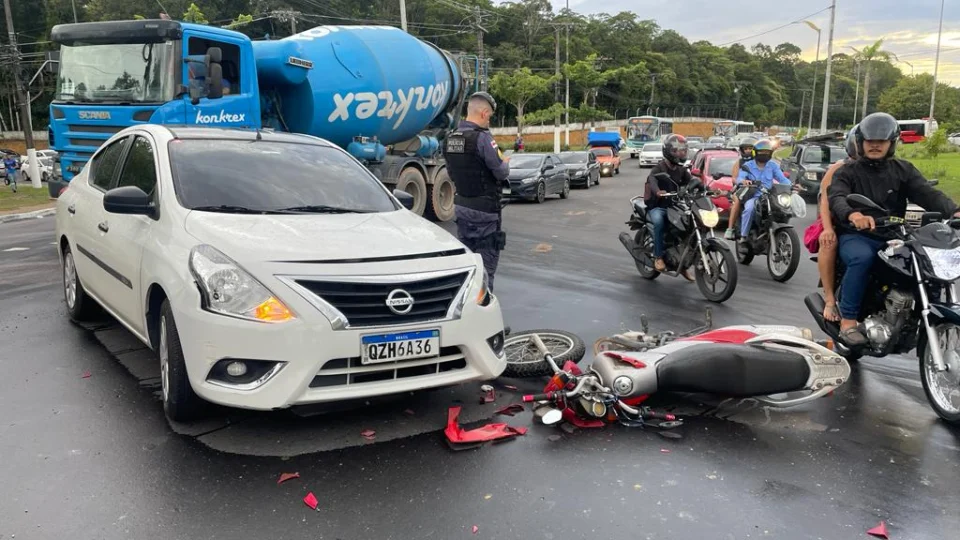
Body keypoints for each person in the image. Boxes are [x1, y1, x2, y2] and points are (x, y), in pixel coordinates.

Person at [828, 112, 960, 345]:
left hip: (894, 234)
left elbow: (927, 194)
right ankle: (848, 320)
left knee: (923, 261)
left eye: (881, 141)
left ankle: (913, 313)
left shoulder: (903, 170)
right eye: (870, 141)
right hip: (858, 235)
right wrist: (852, 214)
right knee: (861, 258)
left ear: (892, 143)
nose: (875, 145)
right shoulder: (847, 172)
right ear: (861, 142)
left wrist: (954, 210)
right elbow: (837, 197)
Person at [442, 91, 510, 293]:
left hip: (462, 207)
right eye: (489, 116)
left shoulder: (450, 138)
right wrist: (505, 161)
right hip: (485, 211)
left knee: (468, 264)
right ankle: (484, 311)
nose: (489, 120)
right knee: (486, 267)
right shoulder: (483, 139)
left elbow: (450, 172)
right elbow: (500, 171)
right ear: (484, 113)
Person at [808, 128, 859, 322]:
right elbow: (825, 200)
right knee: (829, 242)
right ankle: (829, 299)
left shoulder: (885, 168)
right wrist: (828, 228)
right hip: (839, 219)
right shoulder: (839, 167)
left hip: (872, 223)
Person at [644, 134, 695, 280]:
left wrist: (706, 188)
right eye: (677, 150)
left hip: (676, 207)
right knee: (659, 223)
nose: (681, 153)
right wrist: (658, 191)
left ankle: (683, 264)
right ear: (668, 151)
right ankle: (658, 257)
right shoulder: (659, 168)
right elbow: (652, 180)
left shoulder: (681, 169)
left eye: (683, 150)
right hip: (658, 206)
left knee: (687, 226)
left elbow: (691, 181)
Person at [734, 139, 790, 240]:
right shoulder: (748, 165)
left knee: (783, 209)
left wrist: (792, 185)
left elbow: (782, 179)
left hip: (770, 197)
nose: (764, 154)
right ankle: (744, 235)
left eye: (766, 152)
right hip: (754, 196)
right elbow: (740, 178)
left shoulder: (773, 166)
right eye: (761, 152)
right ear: (755, 153)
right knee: (749, 209)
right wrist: (744, 182)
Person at [724, 137, 758, 239]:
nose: (748, 150)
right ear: (742, 150)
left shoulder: (758, 162)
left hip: (756, 190)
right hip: (740, 189)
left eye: (750, 148)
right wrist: (742, 181)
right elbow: (734, 178)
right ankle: (730, 229)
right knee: (737, 201)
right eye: (746, 148)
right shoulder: (739, 163)